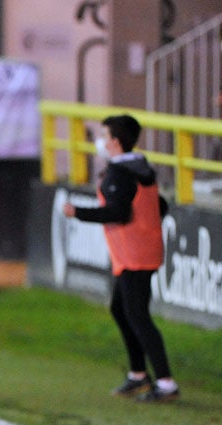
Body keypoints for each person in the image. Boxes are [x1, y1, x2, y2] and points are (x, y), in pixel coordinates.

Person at [62, 114, 178, 402]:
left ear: (115, 141)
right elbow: (159, 204)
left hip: (134, 254)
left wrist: (77, 212)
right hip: (138, 250)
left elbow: (118, 212)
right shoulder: (141, 169)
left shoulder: (120, 173)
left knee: (137, 316)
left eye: (104, 135)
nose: (100, 141)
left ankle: (165, 382)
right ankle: (138, 374)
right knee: (121, 309)